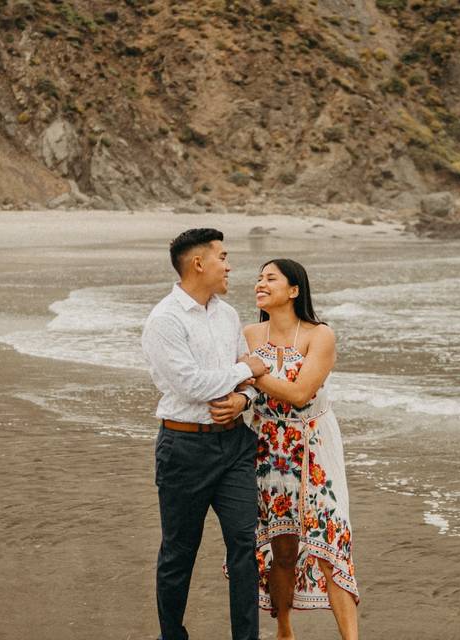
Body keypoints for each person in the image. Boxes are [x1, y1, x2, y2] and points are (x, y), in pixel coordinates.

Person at [141, 228, 268, 640]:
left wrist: (244, 399)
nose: (229, 265)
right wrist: (248, 371)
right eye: (223, 257)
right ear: (199, 263)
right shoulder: (165, 320)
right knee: (179, 553)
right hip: (185, 448)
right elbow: (192, 385)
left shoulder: (228, 314)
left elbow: (243, 381)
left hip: (234, 445)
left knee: (245, 546)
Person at [243, 258, 359, 640]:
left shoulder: (318, 335)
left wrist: (255, 371)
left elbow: (299, 393)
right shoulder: (247, 334)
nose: (261, 283)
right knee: (283, 549)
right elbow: (236, 389)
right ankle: (284, 631)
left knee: (330, 541)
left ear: (294, 290)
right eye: (259, 278)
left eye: (270, 278)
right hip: (268, 452)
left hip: (314, 448)